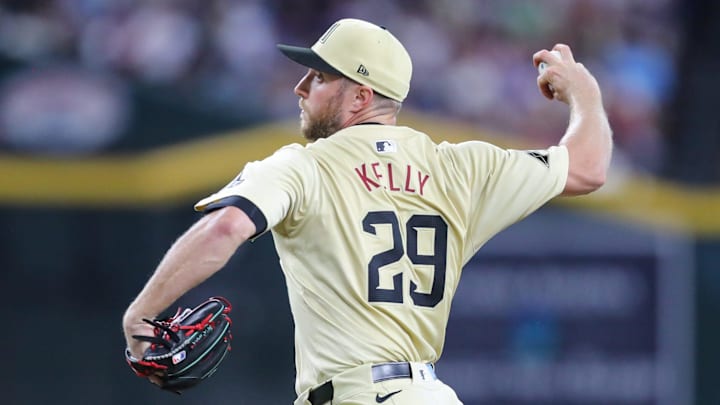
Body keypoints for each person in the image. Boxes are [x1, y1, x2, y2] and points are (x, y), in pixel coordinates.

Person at [123, 18, 612, 405]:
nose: (300, 87)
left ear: (360, 96)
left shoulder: (301, 165)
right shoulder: (464, 166)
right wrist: (584, 92)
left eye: (318, 76)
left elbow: (225, 226)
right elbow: (588, 168)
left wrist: (141, 314)